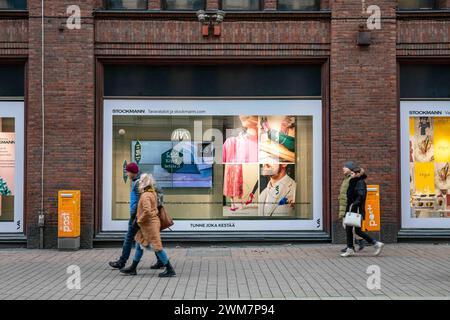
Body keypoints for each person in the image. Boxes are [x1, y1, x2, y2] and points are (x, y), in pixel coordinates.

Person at [108, 163, 164, 270]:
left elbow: (142, 201)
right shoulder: (138, 181)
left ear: (132, 172)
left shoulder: (138, 183)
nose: (127, 173)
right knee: (149, 238)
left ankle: (122, 262)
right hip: (139, 215)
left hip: (137, 216)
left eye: (127, 171)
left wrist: (136, 216)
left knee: (129, 238)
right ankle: (161, 261)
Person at [120, 173, 176, 277]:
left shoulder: (145, 195)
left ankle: (170, 269)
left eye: (141, 180)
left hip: (149, 225)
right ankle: (133, 268)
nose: (139, 182)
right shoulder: (152, 192)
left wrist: (139, 221)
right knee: (139, 244)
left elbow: (147, 211)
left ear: (144, 182)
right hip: (147, 224)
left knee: (157, 247)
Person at [341, 167, 384, 257]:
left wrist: (353, 205)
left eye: (352, 173)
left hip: (355, 210)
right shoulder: (354, 181)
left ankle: (351, 249)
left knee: (351, 229)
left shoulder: (360, 182)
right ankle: (375, 244)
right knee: (356, 230)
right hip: (351, 209)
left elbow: (361, 196)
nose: (351, 175)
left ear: (358, 174)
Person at [339, 162, 365, 253]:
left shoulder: (352, 179)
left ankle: (356, 243)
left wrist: (351, 205)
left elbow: (352, 194)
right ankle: (352, 245)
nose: (343, 168)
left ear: (350, 169)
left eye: (345, 167)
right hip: (345, 205)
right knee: (347, 226)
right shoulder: (346, 178)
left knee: (348, 226)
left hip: (349, 206)